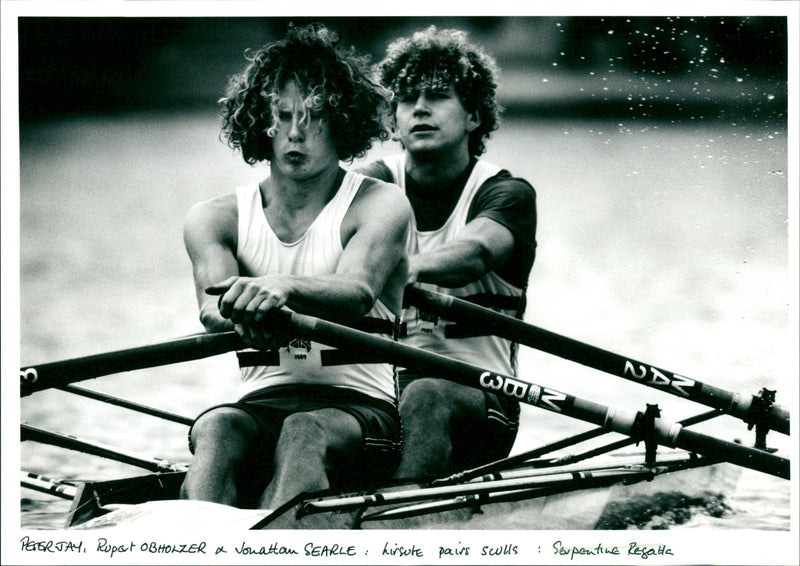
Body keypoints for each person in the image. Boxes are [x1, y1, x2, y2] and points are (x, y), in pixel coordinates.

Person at [179, 23, 411, 510]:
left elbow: (356, 290)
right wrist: (243, 314)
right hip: (259, 407)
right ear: (258, 122)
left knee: (303, 430)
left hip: (361, 412)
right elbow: (211, 310)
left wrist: (279, 288)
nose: (296, 133)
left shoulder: (379, 205)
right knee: (217, 426)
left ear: (344, 121)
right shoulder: (213, 217)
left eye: (315, 116)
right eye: (282, 116)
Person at [359, 26, 537, 479]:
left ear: (474, 115)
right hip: (378, 400)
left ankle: (395, 533)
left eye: (437, 96)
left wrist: (394, 270)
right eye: (406, 99)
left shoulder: (506, 194)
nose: (419, 108)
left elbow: (475, 253)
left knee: (425, 394)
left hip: (481, 402)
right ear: (393, 120)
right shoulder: (365, 188)